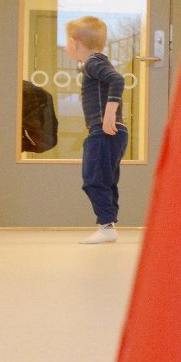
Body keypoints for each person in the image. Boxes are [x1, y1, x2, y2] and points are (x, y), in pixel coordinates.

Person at [66, 16, 126, 245]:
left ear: (75, 43)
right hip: (112, 133)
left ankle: (106, 225)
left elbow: (117, 80)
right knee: (106, 179)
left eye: (67, 41)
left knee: (93, 179)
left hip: (104, 131)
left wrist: (109, 113)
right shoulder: (96, 62)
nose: (66, 46)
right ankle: (108, 225)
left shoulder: (92, 63)